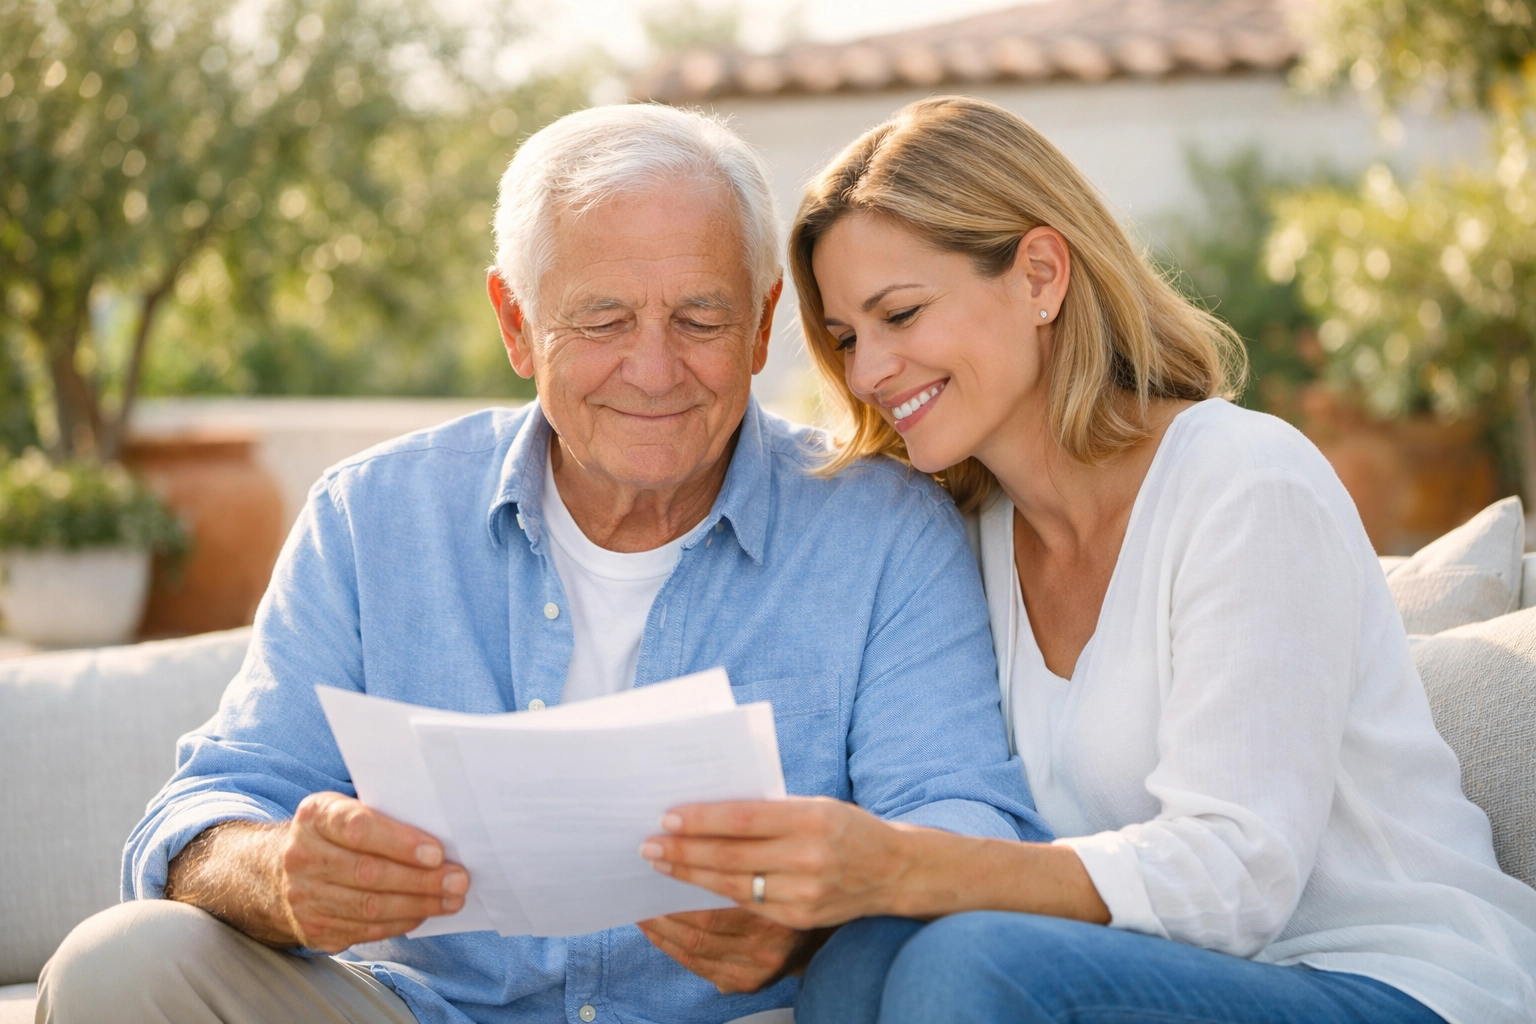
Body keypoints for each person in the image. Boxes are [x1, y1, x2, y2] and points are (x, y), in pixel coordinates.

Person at [34, 103, 1050, 1024]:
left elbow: (960, 821)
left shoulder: (882, 529)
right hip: (425, 1013)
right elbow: (208, 809)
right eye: (603, 320)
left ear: (762, 326)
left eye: (699, 318)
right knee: (121, 963)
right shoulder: (372, 515)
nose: (653, 371)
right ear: (518, 324)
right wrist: (281, 873)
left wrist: (813, 925)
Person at [637, 96, 1536, 1024]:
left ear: (1039, 274)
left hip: (1398, 982)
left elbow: (1237, 879)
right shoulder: (963, 537)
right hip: (1139, 976)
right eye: (847, 340)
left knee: (971, 965)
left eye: (901, 314)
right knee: (861, 961)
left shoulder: (1245, 483)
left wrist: (906, 864)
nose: (867, 375)